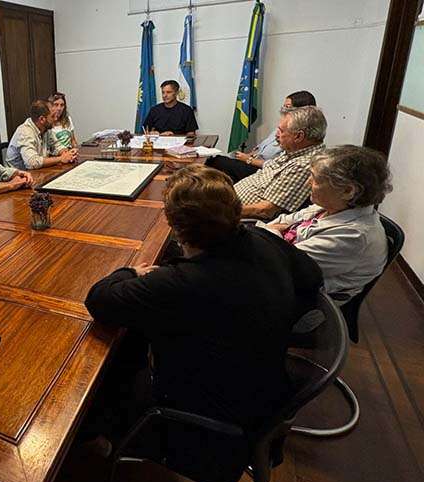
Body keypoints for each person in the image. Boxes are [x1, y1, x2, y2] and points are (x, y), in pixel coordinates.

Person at [84, 165, 322, 441]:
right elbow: (312, 277)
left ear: (175, 225)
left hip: (207, 418)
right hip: (262, 390)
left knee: (106, 373)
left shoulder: (183, 282)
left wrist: (131, 272)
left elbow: (98, 300)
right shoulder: (265, 239)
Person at [260, 145, 392, 304]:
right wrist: (273, 233)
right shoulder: (331, 205)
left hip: (302, 301)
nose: (308, 181)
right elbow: (282, 221)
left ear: (347, 191)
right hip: (280, 273)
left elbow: (282, 262)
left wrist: (271, 233)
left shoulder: (354, 236)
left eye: (315, 178)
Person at [234, 106, 327, 220]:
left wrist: (223, 212)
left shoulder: (304, 165)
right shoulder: (294, 151)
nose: (276, 135)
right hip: (232, 203)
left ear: (298, 136)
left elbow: (264, 210)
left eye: (281, 131)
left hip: (240, 217)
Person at [207, 90, 317, 182]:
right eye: (283, 107)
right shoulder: (282, 127)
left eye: (287, 107)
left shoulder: (295, 139)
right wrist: (250, 155)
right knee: (219, 169)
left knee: (217, 162)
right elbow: (261, 148)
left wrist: (248, 160)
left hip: (262, 171)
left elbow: (278, 166)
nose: (283, 110)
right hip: (253, 163)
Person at [7, 99, 78, 170]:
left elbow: (56, 145)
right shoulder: (25, 132)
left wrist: (67, 153)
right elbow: (32, 163)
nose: (56, 119)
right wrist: (61, 159)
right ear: (42, 119)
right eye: (53, 116)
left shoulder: (45, 128)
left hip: (37, 172)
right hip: (18, 176)